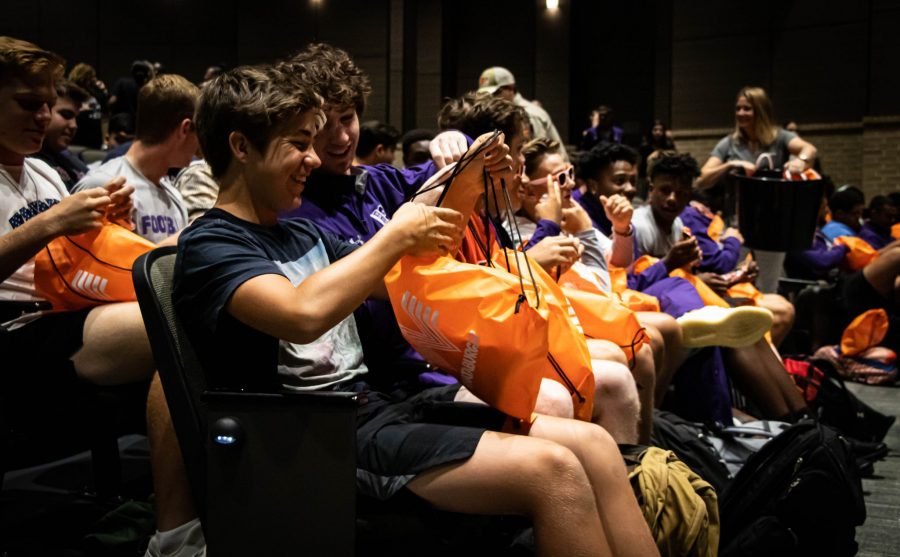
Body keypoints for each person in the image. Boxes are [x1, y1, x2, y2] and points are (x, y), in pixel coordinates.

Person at [147, 62, 660, 557]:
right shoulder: (211, 244)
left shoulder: (302, 231)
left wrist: (464, 182)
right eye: (298, 143)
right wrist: (394, 234)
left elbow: (409, 275)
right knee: (556, 473)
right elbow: (301, 314)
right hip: (310, 436)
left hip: (373, 407)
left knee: (594, 448)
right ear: (240, 147)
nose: (312, 158)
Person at [0, 36, 153, 396]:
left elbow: (71, 254)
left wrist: (108, 221)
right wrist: (53, 221)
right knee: (169, 320)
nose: (44, 116)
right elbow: (51, 229)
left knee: (189, 305)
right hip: (15, 325)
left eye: (49, 105)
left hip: (67, 309)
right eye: (28, 104)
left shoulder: (44, 172)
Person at [634, 152, 808, 420]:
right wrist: (670, 263)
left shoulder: (679, 223)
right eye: (665, 190)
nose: (672, 199)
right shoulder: (638, 225)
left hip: (688, 302)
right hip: (660, 313)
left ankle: (800, 418)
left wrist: (730, 276)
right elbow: (630, 286)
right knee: (731, 332)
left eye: (681, 193)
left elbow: (693, 274)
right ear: (650, 187)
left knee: (748, 330)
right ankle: (789, 424)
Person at [695, 87, 819, 293]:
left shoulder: (780, 138)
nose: (741, 113)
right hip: (736, 225)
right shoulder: (728, 144)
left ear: (760, 110)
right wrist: (729, 164)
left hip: (772, 226)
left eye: (747, 109)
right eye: (738, 108)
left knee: (768, 287)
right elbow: (702, 179)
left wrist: (800, 162)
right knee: (731, 281)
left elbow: (809, 150)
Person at [74, 74, 198, 243]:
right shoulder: (101, 185)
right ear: (185, 129)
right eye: (199, 132)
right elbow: (73, 264)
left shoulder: (174, 196)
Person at [477, 66, 568, 161]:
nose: (489, 99)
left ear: (511, 90)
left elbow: (540, 156)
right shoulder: (505, 114)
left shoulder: (529, 114)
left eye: (495, 93)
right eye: (486, 95)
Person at [29, 79, 90, 190]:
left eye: (76, 118)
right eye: (66, 114)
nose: (74, 125)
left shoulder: (70, 158)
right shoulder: (24, 163)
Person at [68, 62, 106, 148]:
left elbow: (105, 108)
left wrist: (103, 91)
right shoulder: (72, 94)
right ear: (84, 78)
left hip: (95, 140)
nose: (95, 79)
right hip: (80, 142)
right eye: (92, 77)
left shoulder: (93, 93)